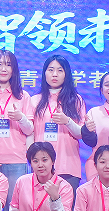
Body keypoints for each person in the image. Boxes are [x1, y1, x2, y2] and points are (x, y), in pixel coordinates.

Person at [0, 49, 35, 203]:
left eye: (8, 65)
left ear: (14, 69)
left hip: (16, 158)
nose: (3, 69)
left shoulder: (23, 96)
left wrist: (20, 118)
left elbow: (30, 130)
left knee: (14, 206)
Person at [29, 55, 86, 188]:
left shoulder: (76, 100)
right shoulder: (34, 100)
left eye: (60, 70)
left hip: (68, 165)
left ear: (66, 74)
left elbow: (81, 134)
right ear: (44, 73)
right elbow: (30, 133)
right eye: (51, 70)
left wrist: (67, 121)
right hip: (41, 167)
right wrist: (32, 159)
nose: (55, 74)